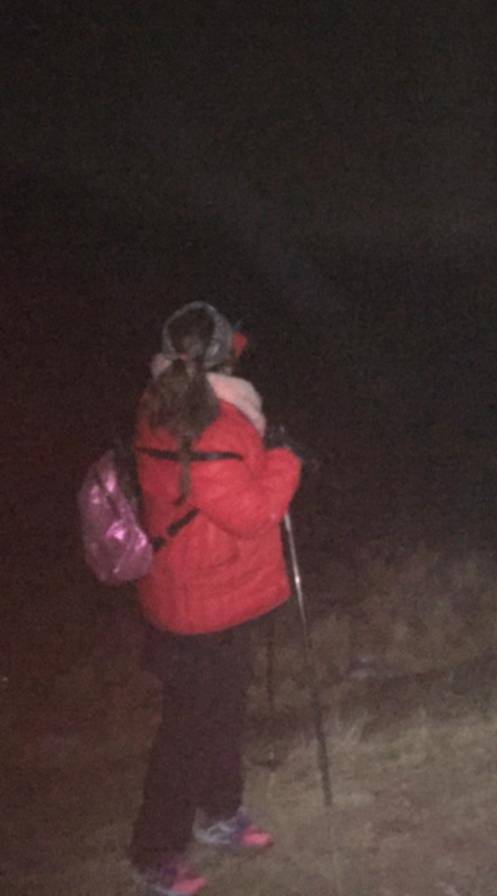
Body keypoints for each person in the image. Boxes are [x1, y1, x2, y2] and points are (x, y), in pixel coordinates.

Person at [128, 302, 302, 896]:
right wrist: (284, 458)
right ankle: (155, 853)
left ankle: (221, 813)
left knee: (222, 711)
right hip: (201, 604)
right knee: (187, 731)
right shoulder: (213, 427)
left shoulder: (159, 404)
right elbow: (254, 513)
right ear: (222, 358)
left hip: (204, 591)